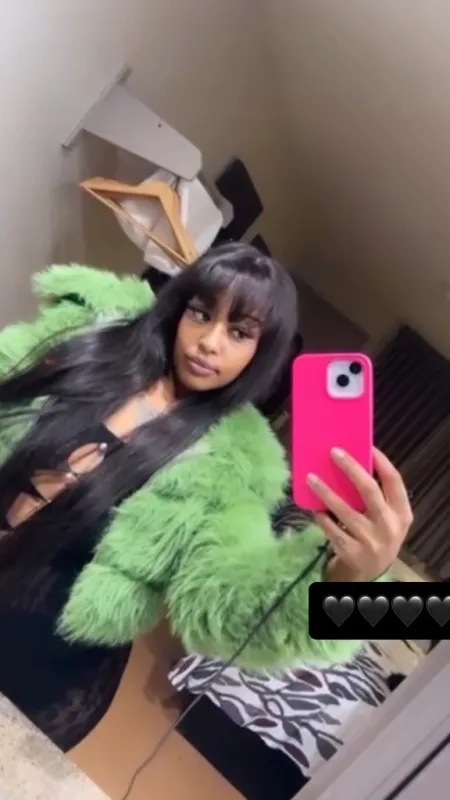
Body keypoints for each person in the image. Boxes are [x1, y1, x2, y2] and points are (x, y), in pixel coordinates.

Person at [0, 243, 413, 750]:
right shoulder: (92, 335)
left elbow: (227, 607)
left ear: (262, 352)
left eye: (239, 333)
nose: (209, 343)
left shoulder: (233, 467)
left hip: (39, 662)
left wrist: (352, 580)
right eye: (201, 313)